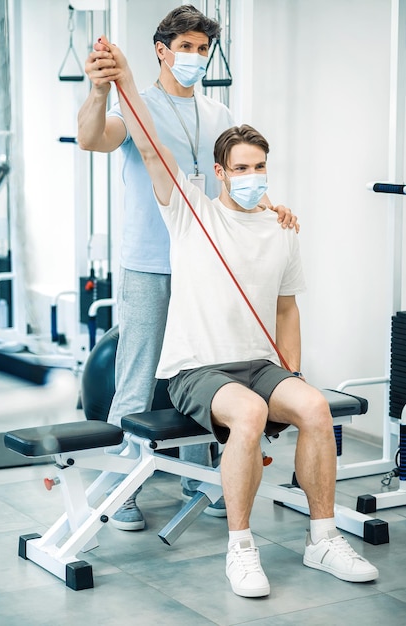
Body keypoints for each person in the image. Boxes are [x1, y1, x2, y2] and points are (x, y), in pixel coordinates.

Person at [89, 34, 380, 599]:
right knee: (246, 414)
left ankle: (322, 538)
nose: (254, 176)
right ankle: (241, 550)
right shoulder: (189, 211)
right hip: (196, 369)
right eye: (242, 167)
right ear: (220, 173)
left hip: (259, 363)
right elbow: (150, 147)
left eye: (261, 166)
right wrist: (122, 79)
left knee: (316, 408)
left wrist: (290, 372)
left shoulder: (281, 229)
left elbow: (288, 310)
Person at [77, 5, 298, 531]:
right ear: (162, 49)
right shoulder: (138, 105)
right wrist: (101, 91)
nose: (195, 57)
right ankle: (118, 488)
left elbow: (233, 181)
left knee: (205, 373)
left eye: (203, 49)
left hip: (206, 265)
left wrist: (271, 206)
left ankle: (199, 479)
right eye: (187, 47)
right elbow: (91, 139)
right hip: (151, 263)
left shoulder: (218, 114)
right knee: (135, 379)